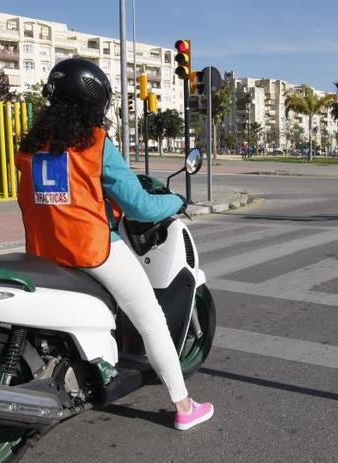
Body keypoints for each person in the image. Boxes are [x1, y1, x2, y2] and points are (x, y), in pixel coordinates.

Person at [15, 58, 214, 431]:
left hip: (42, 252)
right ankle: (184, 405)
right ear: (94, 102)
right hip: (90, 250)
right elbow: (139, 204)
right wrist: (176, 202)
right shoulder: (95, 142)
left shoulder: (31, 146)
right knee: (151, 318)